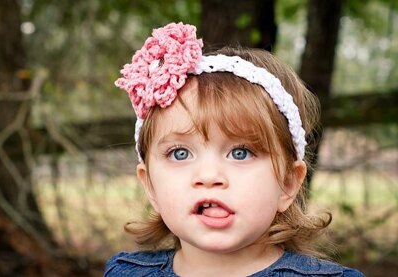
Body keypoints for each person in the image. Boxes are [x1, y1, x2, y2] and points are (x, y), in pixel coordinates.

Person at [104, 22, 364, 277]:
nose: (208, 176)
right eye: (180, 153)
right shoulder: (125, 272)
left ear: (287, 182)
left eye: (240, 153)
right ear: (149, 184)